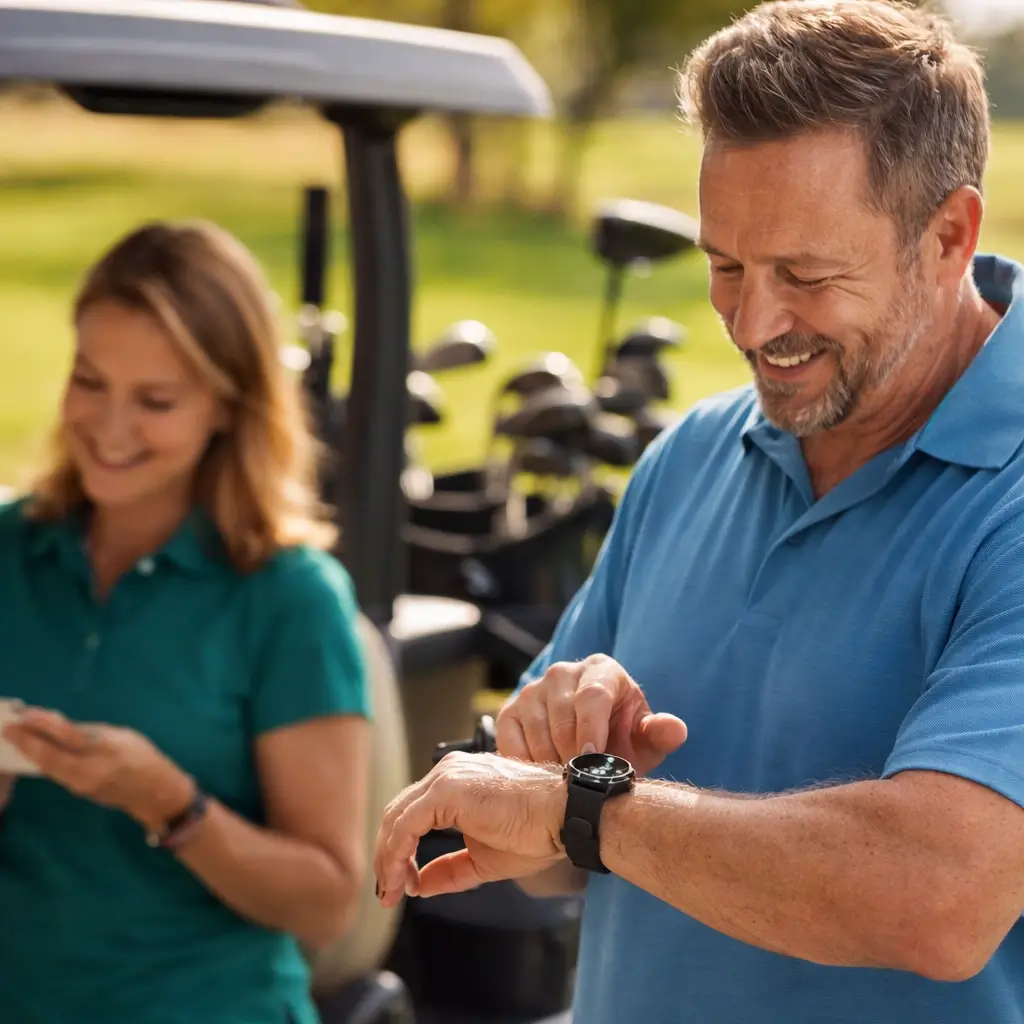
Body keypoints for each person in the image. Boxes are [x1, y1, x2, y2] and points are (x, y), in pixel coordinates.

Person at [373, 1, 1024, 1021]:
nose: (753, 323)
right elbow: (548, 859)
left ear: (946, 235)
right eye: (725, 265)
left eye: (805, 275)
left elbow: (939, 897)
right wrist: (555, 757)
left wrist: (585, 808)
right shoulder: (692, 454)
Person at [0, 220, 372, 1023]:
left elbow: (328, 905)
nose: (108, 427)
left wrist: (172, 805)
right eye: (89, 380)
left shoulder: (289, 598)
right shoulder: (7, 551)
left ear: (226, 408)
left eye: (156, 401)